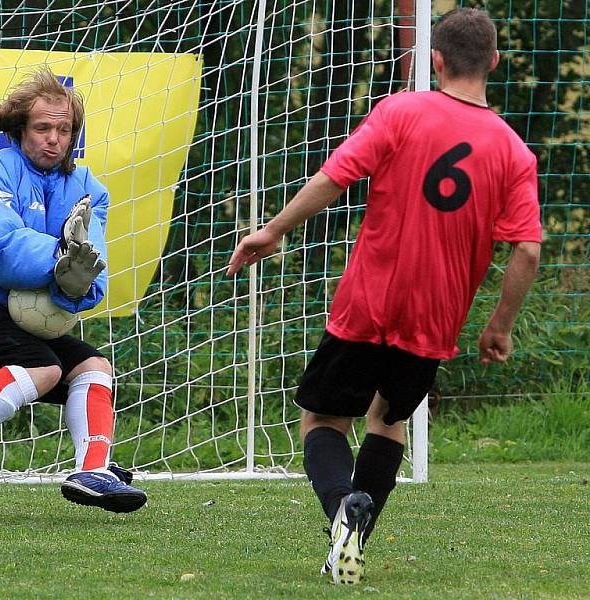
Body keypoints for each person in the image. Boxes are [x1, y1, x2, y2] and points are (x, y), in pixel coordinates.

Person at [227, 8, 541, 585]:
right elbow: (526, 251)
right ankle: (351, 540)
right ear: (495, 62)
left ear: (436, 60)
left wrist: (273, 229)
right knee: (389, 420)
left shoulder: (400, 110)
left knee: (321, 417)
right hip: (435, 315)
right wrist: (499, 324)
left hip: (369, 299)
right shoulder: (514, 151)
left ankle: (341, 507)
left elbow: (334, 177)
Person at [0, 66, 147, 514]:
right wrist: (60, 261)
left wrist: (78, 284)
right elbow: (2, 251)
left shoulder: (90, 190)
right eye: (42, 128)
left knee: (93, 366)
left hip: (7, 315)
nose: (54, 138)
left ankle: (93, 470)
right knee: (45, 368)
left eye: (64, 129)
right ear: (20, 130)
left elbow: (95, 274)